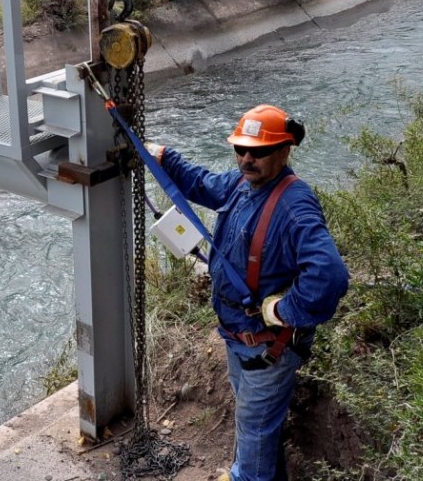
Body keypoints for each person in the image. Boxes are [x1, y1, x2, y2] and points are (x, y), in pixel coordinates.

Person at [148, 104, 349, 481]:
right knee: (259, 435)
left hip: (267, 349)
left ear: (284, 151)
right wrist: (160, 155)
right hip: (238, 339)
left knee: (253, 441)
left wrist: (283, 311)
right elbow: (202, 183)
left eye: (258, 152)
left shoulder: (294, 205)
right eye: (240, 149)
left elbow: (329, 276)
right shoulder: (243, 184)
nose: (246, 158)